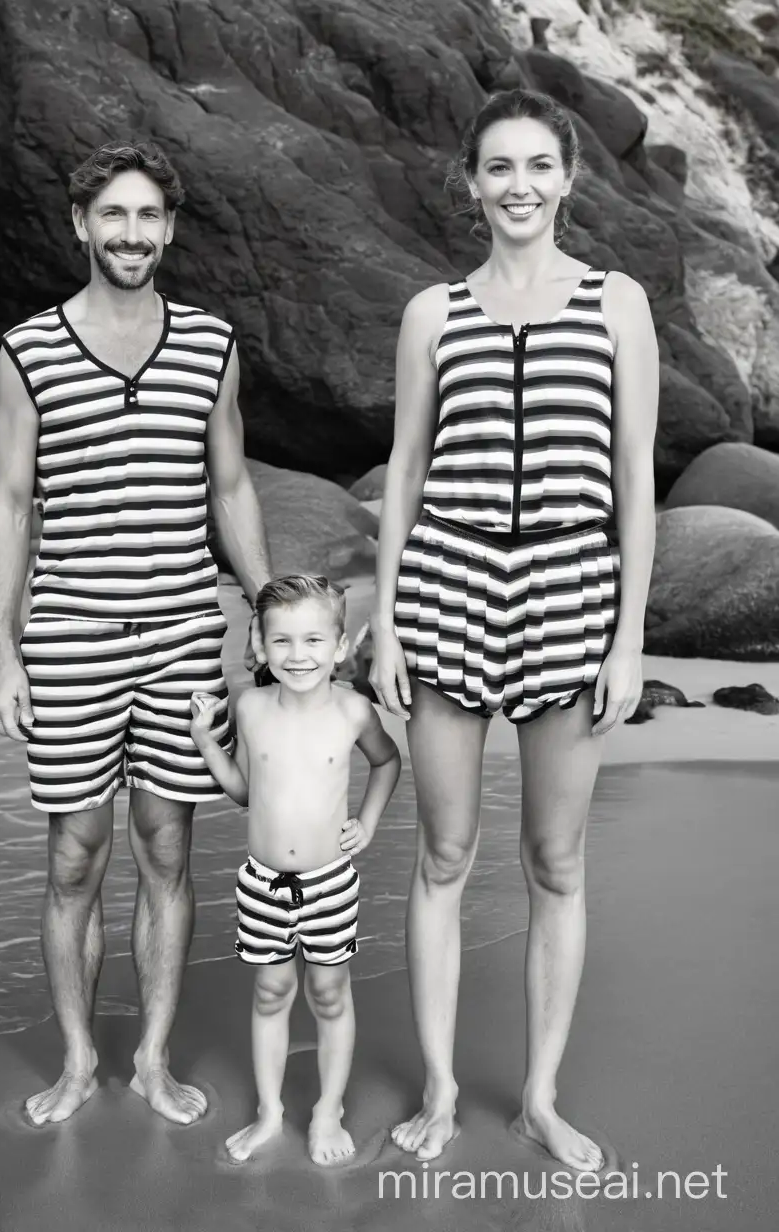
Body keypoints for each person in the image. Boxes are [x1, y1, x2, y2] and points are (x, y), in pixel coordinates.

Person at [369, 89, 657, 1168]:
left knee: (555, 858)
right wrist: (388, 621)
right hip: (445, 580)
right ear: (470, 180)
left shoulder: (615, 302)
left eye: (538, 165)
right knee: (441, 853)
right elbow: (400, 472)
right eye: (498, 166)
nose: (519, 185)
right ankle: (441, 1086)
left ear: (569, 177)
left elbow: (635, 478)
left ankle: (538, 1093)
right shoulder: (430, 312)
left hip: (572, 589)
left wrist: (628, 634)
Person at [0, 142, 271, 1128]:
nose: (133, 234)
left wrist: (267, 607)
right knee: (74, 854)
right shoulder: (28, 349)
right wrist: (5, 650)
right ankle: (74, 1059)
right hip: (70, 632)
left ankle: (150, 1055)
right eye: (115, 215)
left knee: (166, 848)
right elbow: (10, 503)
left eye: (150, 217)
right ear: (78, 224)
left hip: (186, 628)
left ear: (171, 229)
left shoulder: (211, 342)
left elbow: (229, 485)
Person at [190, 575, 401, 1165]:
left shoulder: (353, 710)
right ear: (258, 644)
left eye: (313, 640)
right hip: (260, 883)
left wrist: (368, 821)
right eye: (281, 641)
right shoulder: (250, 707)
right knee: (271, 991)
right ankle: (269, 1112)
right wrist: (207, 744)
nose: (297, 654)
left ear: (339, 646)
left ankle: (328, 1110)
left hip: (329, 881)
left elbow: (387, 763)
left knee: (330, 994)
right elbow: (241, 792)